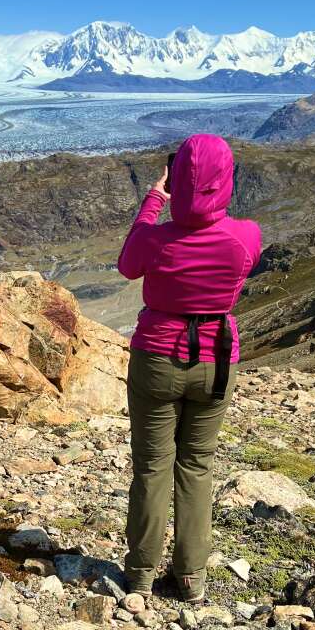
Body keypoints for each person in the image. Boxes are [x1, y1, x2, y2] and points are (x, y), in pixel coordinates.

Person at [117, 133, 262, 603]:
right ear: (226, 180)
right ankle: (191, 579)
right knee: (197, 466)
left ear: (177, 179)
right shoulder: (247, 236)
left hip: (157, 359)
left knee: (151, 468)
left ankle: (140, 575)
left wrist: (154, 201)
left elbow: (128, 265)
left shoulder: (156, 239)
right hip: (216, 362)